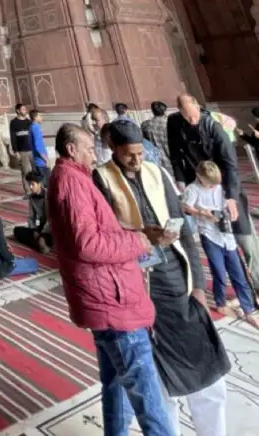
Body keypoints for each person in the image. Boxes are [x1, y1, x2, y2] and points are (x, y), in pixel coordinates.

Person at [96, 119, 231, 436]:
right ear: (113, 149)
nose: (137, 160)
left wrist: (198, 284)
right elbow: (103, 236)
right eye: (129, 154)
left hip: (177, 282)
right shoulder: (101, 179)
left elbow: (184, 228)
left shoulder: (158, 173)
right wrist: (141, 235)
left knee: (207, 374)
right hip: (140, 289)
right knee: (157, 381)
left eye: (140, 152)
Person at [47, 123, 176, 436]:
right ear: (70, 150)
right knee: (149, 401)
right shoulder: (72, 182)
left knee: (117, 387)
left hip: (104, 296)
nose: (94, 155)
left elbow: (97, 232)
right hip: (112, 301)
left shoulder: (73, 177)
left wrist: (134, 235)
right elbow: (88, 244)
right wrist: (140, 243)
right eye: (89, 149)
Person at [168, 93, 259, 289]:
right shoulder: (174, 123)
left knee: (243, 235)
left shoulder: (214, 126)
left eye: (194, 116)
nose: (192, 120)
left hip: (226, 184)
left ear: (198, 107)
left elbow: (230, 165)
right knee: (217, 237)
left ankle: (257, 282)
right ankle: (240, 284)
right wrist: (182, 183)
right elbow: (175, 155)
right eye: (187, 116)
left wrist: (231, 197)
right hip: (201, 185)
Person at [182, 161, 257, 323]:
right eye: (210, 183)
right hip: (209, 234)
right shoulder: (193, 189)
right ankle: (221, 302)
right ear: (199, 177)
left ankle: (248, 309)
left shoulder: (220, 187)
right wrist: (201, 212)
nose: (213, 187)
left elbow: (230, 199)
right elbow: (185, 207)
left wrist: (232, 206)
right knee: (219, 270)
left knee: (237, 271)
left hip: (226, 233)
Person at [12, 170, 51, 252]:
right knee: (17, 230)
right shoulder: (32, 198)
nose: (30, 187)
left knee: (49, 236)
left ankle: (42, 242)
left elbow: (51, 220)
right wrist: (34, 230)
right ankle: (41, 244)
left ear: (39, 184)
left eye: (32, 184)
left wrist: (42, 235)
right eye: (29, 184)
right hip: (40, 227)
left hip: (50, 228)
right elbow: (31, 217)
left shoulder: (48, 196)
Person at [142, 101, 173, 174]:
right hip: (173, 160)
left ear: (152, 111)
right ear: (164, 110)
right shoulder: (170, 122)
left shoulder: (145, 125)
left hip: (156, 161)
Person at [8, 102, 32, 192]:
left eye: (25, 109)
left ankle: (35, 189)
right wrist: (15, 151)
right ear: (18, 111)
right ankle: (28, 191)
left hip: (31, 149)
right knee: (26, 171)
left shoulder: (28, 122)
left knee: (33, 171)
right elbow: (13, 137)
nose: (25, 111)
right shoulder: (14, 123)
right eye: (23, 109)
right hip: (22, 151)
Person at [28, 108, 50, 181]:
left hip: (38, 160)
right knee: (47, 183)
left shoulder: (32, 127)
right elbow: (38, 147)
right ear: (35, 118)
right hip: (41, 161)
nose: (41, 118)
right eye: (40, 116)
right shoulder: (36, 128)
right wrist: (45, 159)